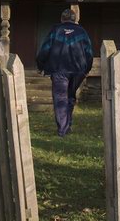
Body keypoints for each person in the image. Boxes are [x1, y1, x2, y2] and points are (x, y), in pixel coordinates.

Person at [36, 8, 93, 137]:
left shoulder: (55, 30)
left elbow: (45, 49)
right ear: (75, 19)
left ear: (62, 19)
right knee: (70, 96)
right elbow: (89, 53)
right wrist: (87, 69)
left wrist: (40, 65)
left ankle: (63, 129)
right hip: (78, 71)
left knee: (60, 98)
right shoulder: (82, 32)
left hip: (59, 70)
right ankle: (67, 125)